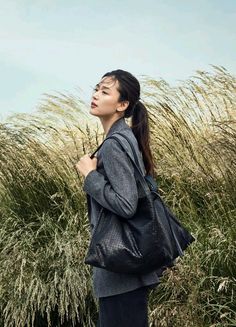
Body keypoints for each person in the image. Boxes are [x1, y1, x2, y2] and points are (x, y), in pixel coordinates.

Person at [75, 69, 165, 327]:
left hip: (120, 272)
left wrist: (91, 176)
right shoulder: (123, 138)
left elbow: (126, 204)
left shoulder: (115, 143)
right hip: (125, 271)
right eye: (96, 88)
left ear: (122, 104)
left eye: (105, 92)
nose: (95, 95)